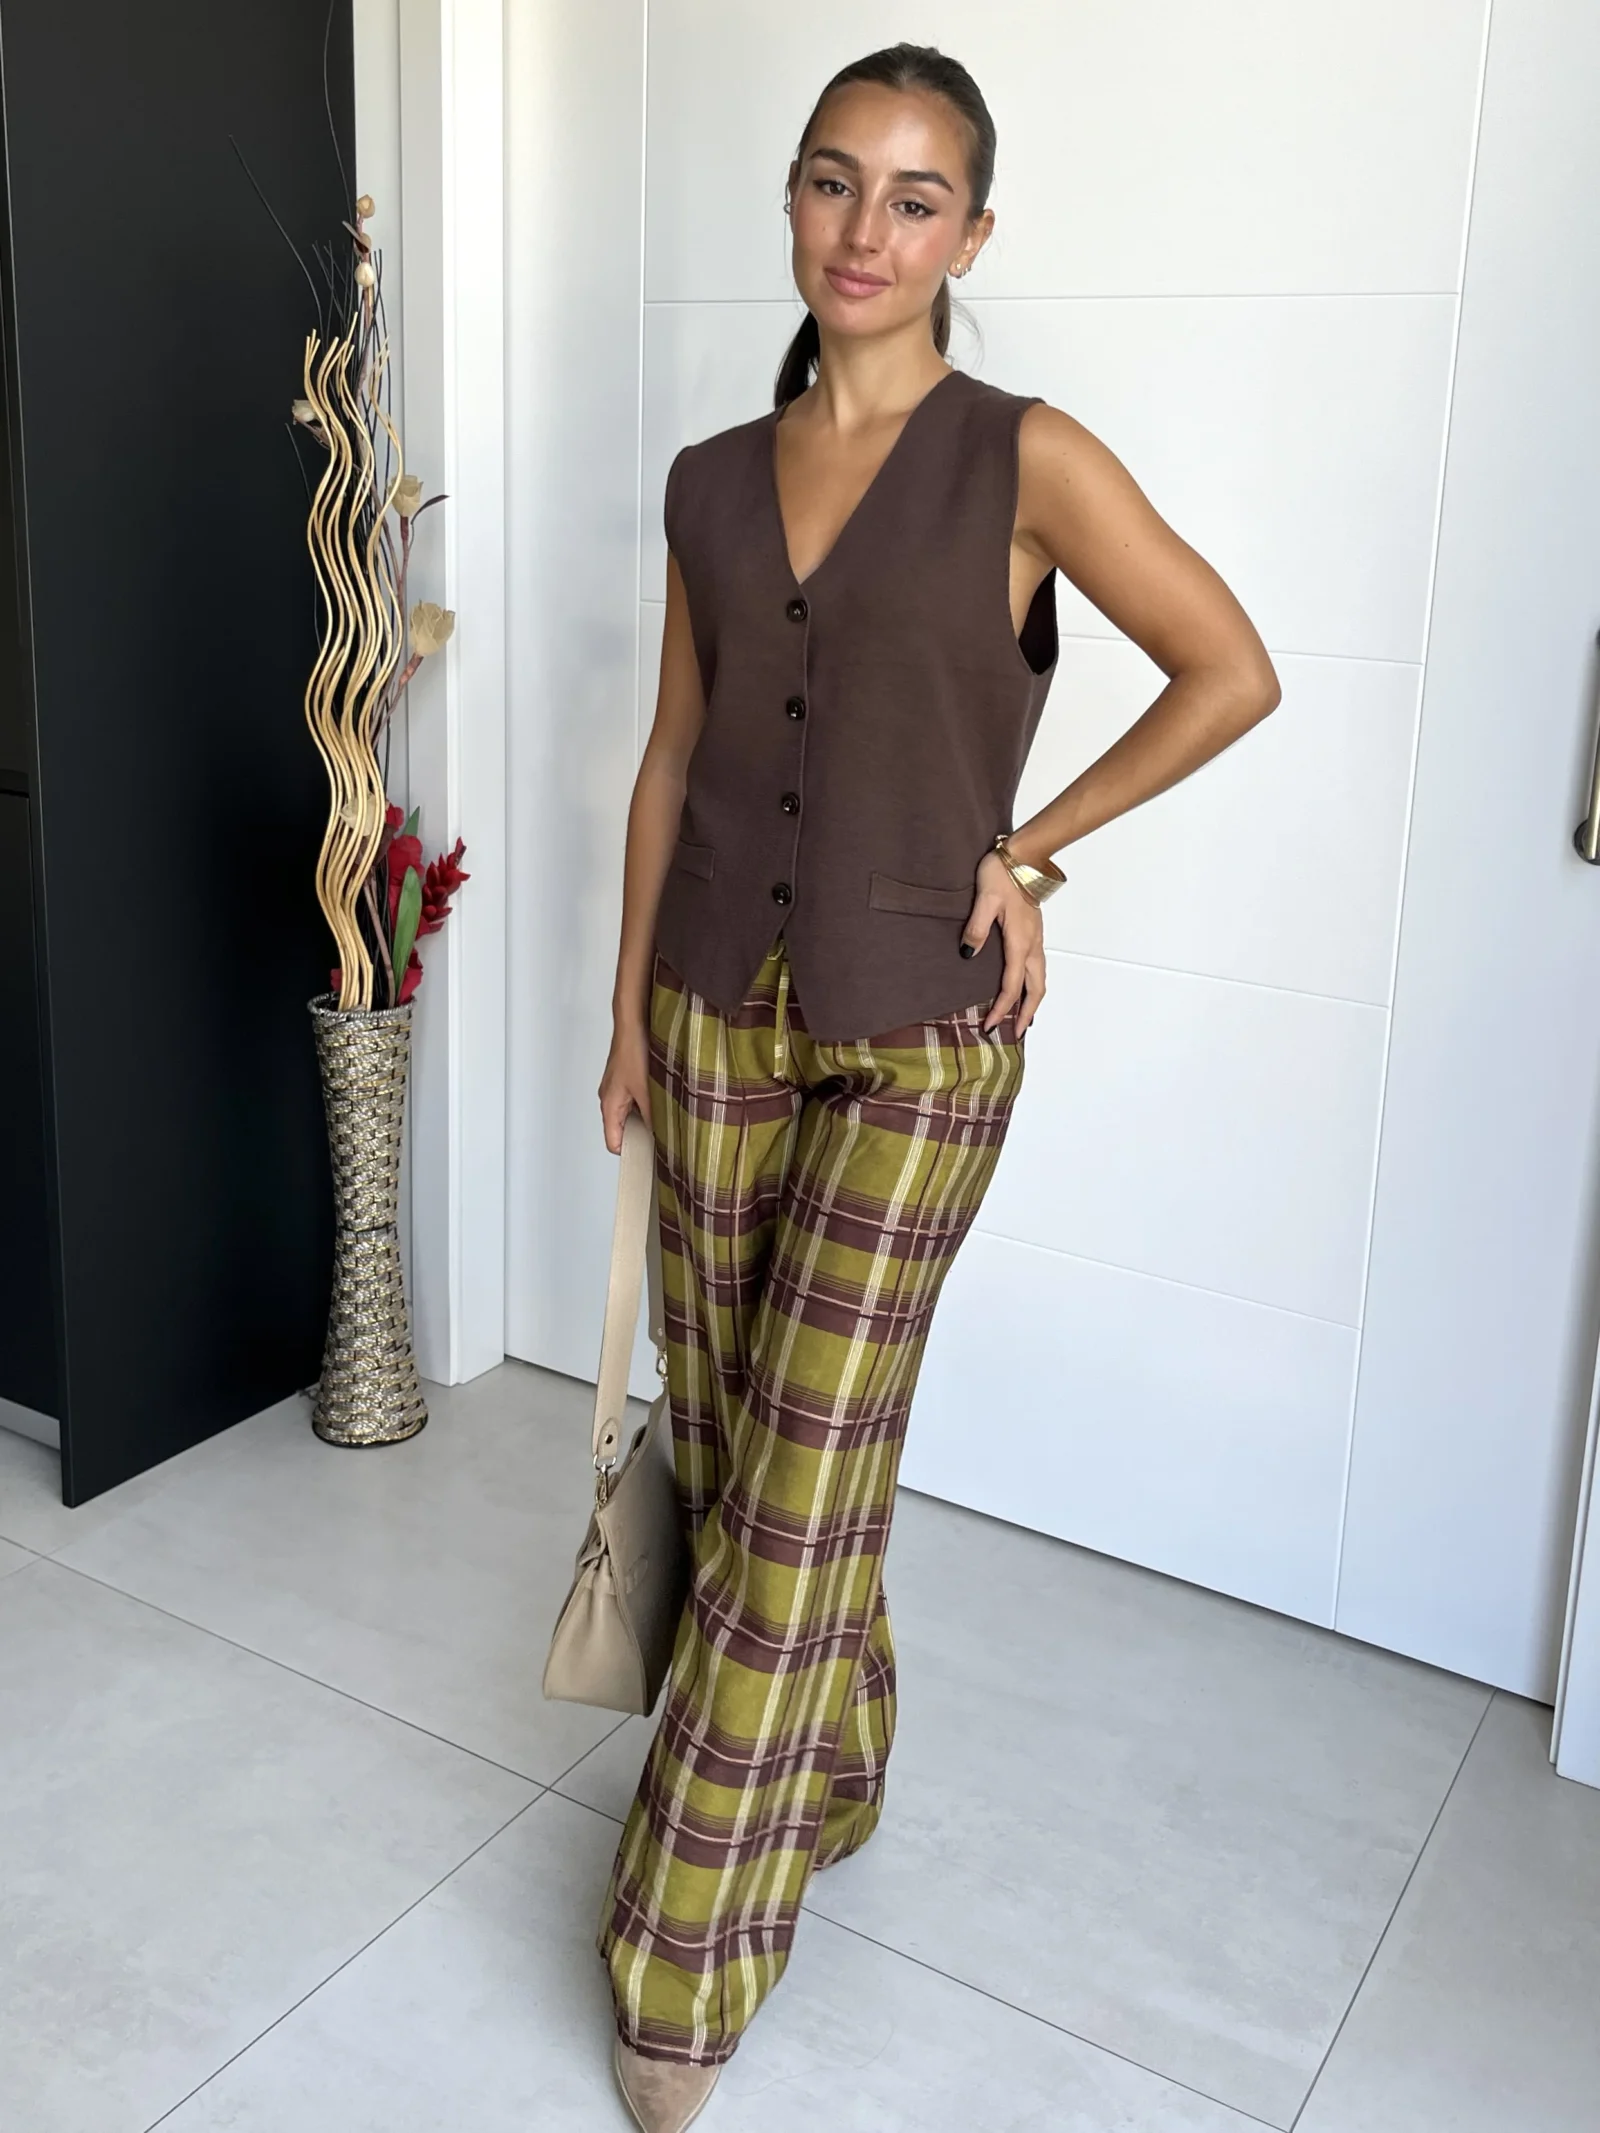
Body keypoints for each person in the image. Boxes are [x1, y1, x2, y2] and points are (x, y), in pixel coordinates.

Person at [593, 40, 1280, 2133]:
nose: (864, 231)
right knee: (738, 1445)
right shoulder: (710, 478)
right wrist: (624, 1016)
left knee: (811, 1468)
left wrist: (1030, 850)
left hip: (922, 1032)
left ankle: (678, 1961)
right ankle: (842, 1763)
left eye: (913, 198)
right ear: (791, 200)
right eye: (833, 181)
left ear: (972, 233)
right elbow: (671, 756)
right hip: (711, 1003)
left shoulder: (1023, 458)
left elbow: (1230, 668)